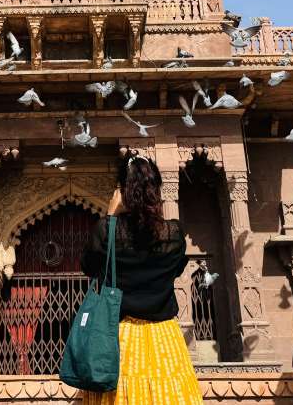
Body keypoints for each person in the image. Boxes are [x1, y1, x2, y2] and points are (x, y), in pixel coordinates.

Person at [79, 156, 203, 405]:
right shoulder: (174, 234)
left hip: (121, 339)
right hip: (164, 339)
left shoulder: (108, 231)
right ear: (155, 191)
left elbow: (89, 267)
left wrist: (111, 216)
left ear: (123, 191)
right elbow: (176, 269)